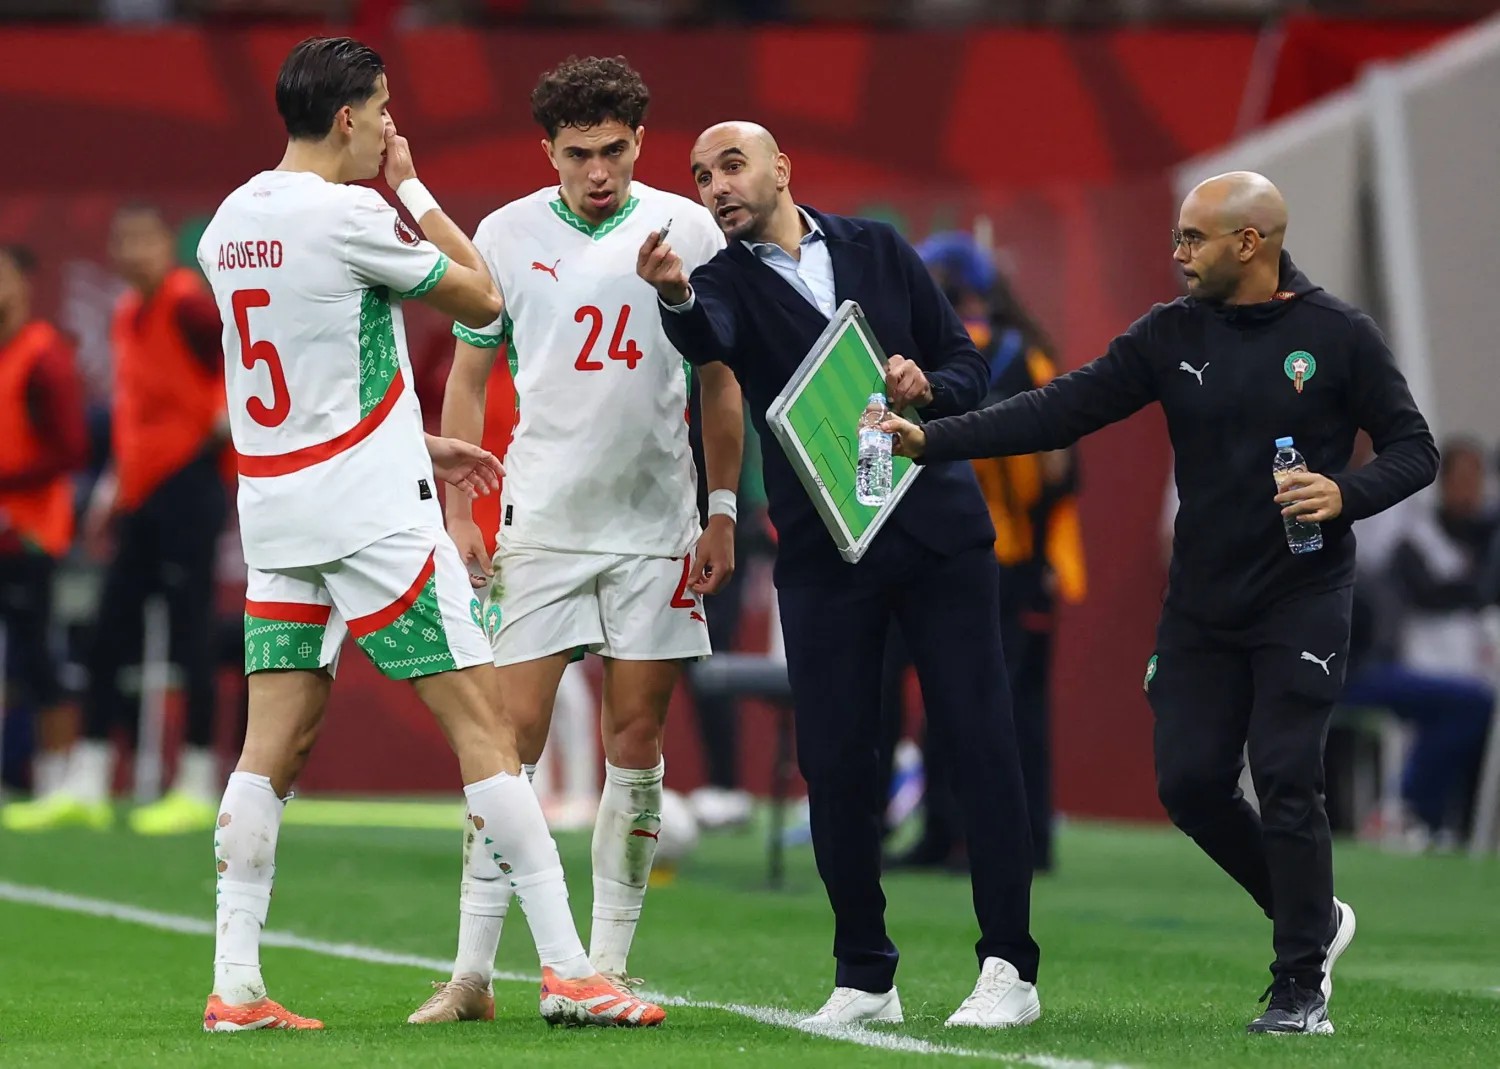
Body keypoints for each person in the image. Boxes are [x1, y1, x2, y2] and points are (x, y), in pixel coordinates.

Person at [882, 171, 1439, 1035]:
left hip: (1302, 592)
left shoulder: (1337, 334)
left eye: (1193, 237)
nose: (1177, 251)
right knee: (1190, 785)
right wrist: (932, 441)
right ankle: (1315, 913)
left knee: (1287, 774)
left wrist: (1345, 492)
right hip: (1202, 604)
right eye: (1178, 235)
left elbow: (1415, 447)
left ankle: (1300, 982)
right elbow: (1058, 409)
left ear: (1249, 243)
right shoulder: (1170, 332)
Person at [192, 36, 663, 1032]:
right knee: (486, 727)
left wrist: (417, 436)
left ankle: (235, 984)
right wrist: (411, 189)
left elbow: (303, 366)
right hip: (371, 512)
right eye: (384, 111)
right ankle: (571, 968)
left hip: (276, 507)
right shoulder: (355, 212)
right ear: (349, 118)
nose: (389, 129)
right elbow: (484, 294)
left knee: (273, 739)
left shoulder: (229, 222)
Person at [639, 121, 1042, 1030]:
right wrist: (672, 295)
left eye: (731, 166)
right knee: (833, 759)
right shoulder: (719, 283)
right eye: (700, 177)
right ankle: (865, 975)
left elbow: (968, 365)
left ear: (782, 168)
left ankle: (1009, 966)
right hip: (826, 551)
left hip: (938, 534)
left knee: (979, 740)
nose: (715, 186)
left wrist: (926, 388)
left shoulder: (879, 249)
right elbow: (706, 338)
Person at [417, 54, 742, 1023]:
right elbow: (468, 374)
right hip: (544, 524)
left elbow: (720, 378)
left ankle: (605, 965)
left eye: (613, 151)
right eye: (577, 154)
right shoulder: (505, 233)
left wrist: (723, 508)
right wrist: (461, 513)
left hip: (655, 525)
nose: (597, 172)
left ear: (640, 143)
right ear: (547, 151)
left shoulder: (688, 229)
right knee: (506, 741)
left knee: (635, 740)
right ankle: (472, 974)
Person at [2, 204, 231, 836]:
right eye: (123, 241)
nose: (133, 252)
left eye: (144, 240)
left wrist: (225, 415)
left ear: (167, 245)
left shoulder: (189, 304)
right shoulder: (127, 311)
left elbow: (239, 357)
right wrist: (112, 488)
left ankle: (195, 782)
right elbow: (133, 411)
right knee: (107, 636)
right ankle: (89, 779)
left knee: (190, 633)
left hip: (189, 481)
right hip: (139, 491)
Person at [0, 245, 87, 797]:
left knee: (37, 656)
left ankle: (59, 778)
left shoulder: (43, 355)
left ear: (22, 284)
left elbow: (70, 448)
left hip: (29, 533)